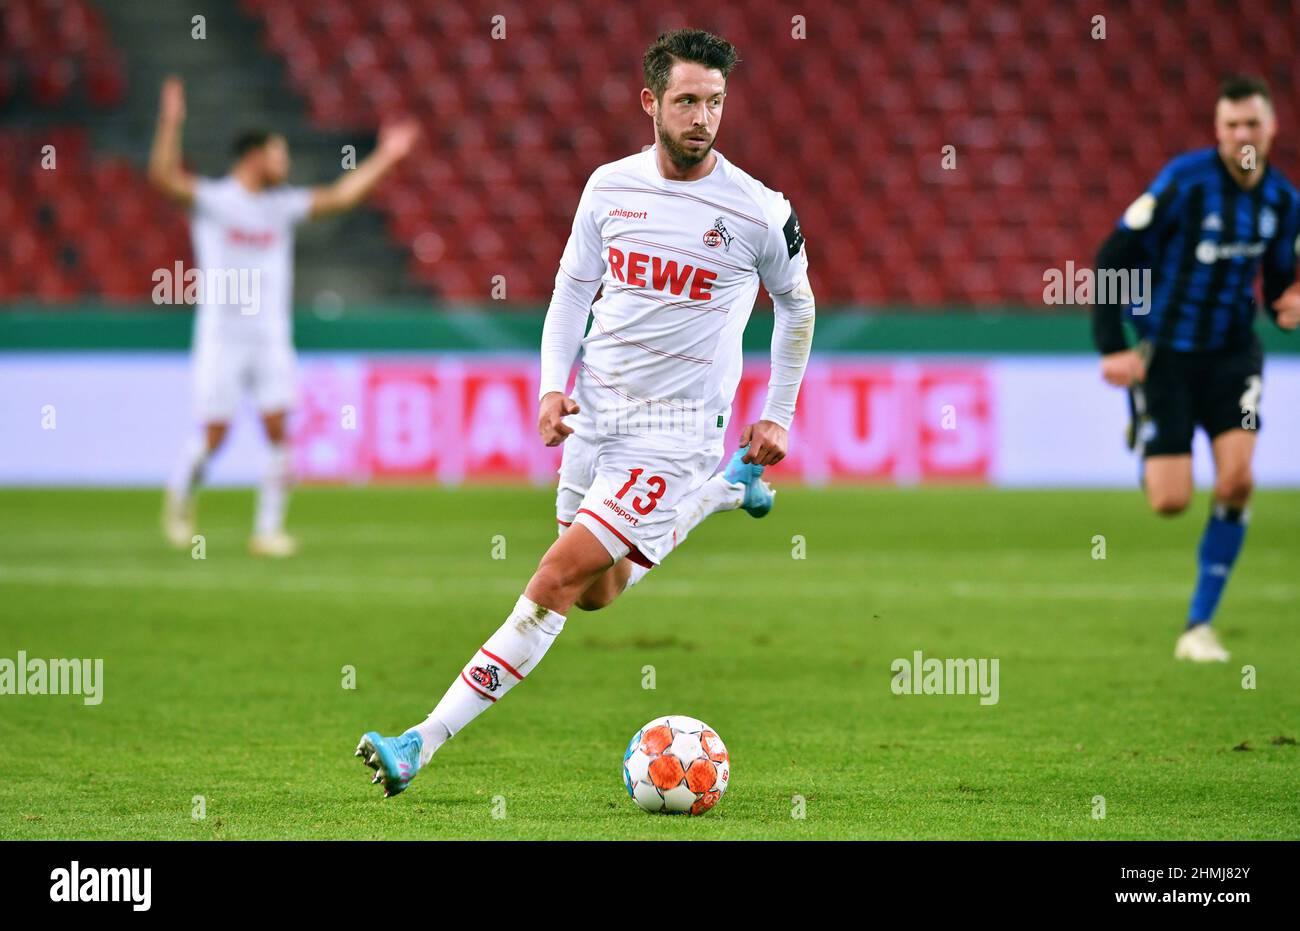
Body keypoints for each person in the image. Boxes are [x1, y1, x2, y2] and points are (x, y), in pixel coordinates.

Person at [357, 28, 816, 796]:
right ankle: (732, 488)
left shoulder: (759, 213)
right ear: (651, 103)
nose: (703, 117)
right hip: (596, 417)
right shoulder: (608, 189)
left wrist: (779, 414)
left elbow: (798, 307)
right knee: (597, 591)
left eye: (715, 102)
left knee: (554, 580)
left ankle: (419, 741)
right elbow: (572, 289)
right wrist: (549, 385)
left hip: (674, 432)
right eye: (687, 101)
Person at [149, 75, 418, 556]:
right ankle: (180, 498)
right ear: (254, 157)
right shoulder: (215, 200)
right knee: (215, 434)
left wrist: (388, 157)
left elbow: (341, 196)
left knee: (279, 429)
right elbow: (164, 179)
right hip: (222, 336)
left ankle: (267, 530)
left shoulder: (281, 206)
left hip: (270, 336)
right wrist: (171, 122)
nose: (285, 163)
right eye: (278, 154)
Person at [1093, 74, 1300, 661]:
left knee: (1236, 480)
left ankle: (1198, 626)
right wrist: (1113, 344)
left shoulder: (1284, 202)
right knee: (1171, 501)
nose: (1242, 134)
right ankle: (1151, 435)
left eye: (1252, 124)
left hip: (1234, 356)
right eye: (1232, 125)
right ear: (1218, 130)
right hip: (1167, 357)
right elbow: (1113, 257)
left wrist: (1289, 308)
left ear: (1271, 128)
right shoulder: (1184, 184)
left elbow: (1281, 287)